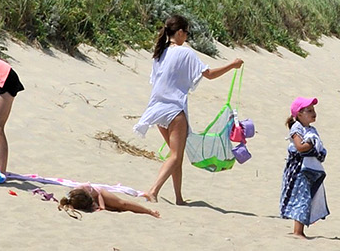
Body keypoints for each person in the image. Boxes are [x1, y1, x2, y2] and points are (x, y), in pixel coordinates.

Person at [133, 15, 244, 205]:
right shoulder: (185, 53)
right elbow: (209, 75)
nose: (187, 37)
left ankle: (178, 198)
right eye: (187, 33)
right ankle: (153, 190)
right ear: (180, 32)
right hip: (174, 110)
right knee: (175, 155)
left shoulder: (160, 53)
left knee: (176, 155)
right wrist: (232, 66)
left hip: (157, 110)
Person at [280, 96, 329, 237]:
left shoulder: (311, 129)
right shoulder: (296, 128)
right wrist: (312, 144)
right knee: (302, 197)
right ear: (299, 114)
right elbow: (300, 147)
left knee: (306, 197)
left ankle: (299, 230)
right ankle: (298, 231)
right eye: (309, 110)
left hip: (309, 168)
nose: (314, 113)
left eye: (314, 110)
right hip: (298, 169)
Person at [61, 185, 160, 218]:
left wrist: (102, 206)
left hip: (100, 193)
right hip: (91, 198)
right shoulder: (74, 198)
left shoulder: (84, 189)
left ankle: (149, 211)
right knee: (116, 209)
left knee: (122, 204)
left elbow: (98, 193)